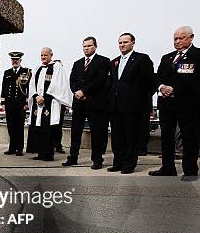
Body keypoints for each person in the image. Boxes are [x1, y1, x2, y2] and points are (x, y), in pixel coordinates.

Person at [149, 26, 199, 181]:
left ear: (191, 37)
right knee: (166, 137)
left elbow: (196, 81)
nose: (177, 41)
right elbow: (157, 77)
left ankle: (190, 170)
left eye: (181, 38)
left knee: (189, 138)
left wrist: (175, 89)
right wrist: (161, 87)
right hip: (166, 105)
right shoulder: (167, 57)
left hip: (187, 105)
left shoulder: (197, 56)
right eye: (175, 39)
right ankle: (168, 167)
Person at [107, 33, 154, 174]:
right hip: (115, 106)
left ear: (133, 43)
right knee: (117, 137)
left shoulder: (141, 59)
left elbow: (150, 83)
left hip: (133, 107)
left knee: (130, 137)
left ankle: (129, 164)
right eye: (120, 42)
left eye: (125, 42)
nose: (122, 45)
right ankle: (118, 163)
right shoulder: (114, 61)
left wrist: (141, 101)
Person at [63, 37, 111, 169]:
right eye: (84, 46)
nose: (86, 48)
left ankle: (97, 160)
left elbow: (100, 81)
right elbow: (72, 79)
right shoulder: (77, 63)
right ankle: (72, 157)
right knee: (75, 132)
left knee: (97, 133)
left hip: (95, 103)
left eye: (89, 46)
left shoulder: (103, 61)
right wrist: (76, 92)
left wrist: (84, 92)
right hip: (78, 103)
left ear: (95, 46)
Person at [27, 47, 73, 161]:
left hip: (50, 102)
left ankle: (48, 154)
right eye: (41, 55)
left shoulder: (56, 67)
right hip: (38, 103)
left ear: (51, 55)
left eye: (45, 55)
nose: (43, 57)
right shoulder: (38, 68)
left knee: (48, 129)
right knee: (39, 128)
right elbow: (31, 85)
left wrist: (45, 97)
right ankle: (40, 153)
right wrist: (36, 96)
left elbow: (58, 85)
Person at [1, 51, 31, 155]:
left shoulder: (26, 72)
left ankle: (19, 148)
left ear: (20, 60)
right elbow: (4, 88)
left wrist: (27, 103)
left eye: (16, 60)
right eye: (13, 60)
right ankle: (12, 148)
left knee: (19, 126)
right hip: (9, 104)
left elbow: (28, 89)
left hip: (20, 104)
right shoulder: (7, 72)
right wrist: (3, 103)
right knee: (11, 126)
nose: (15, 61)